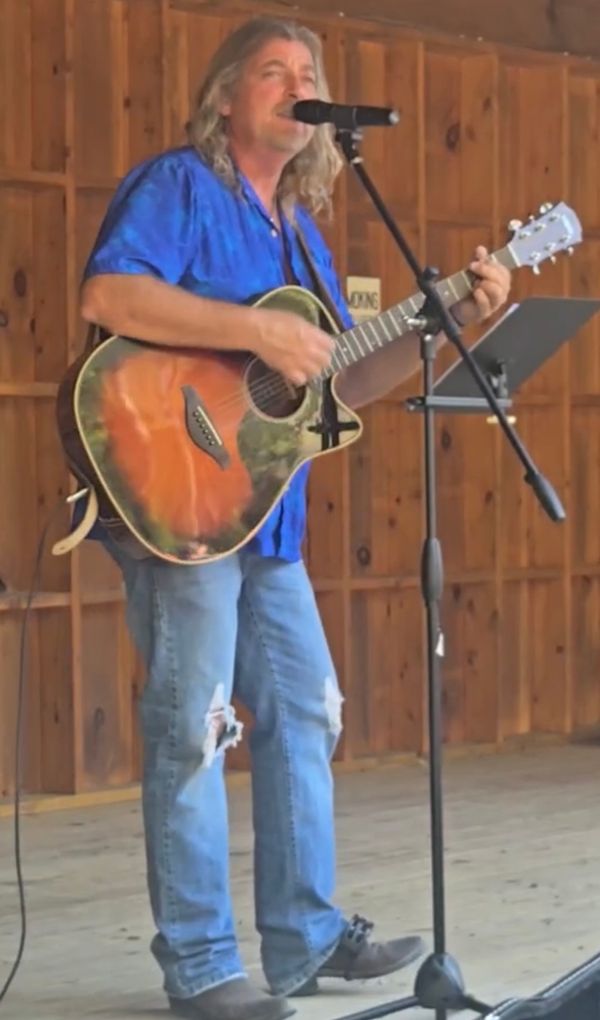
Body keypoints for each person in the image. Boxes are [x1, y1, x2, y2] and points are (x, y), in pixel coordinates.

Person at [77, 16, 511, 1020]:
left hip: (266, 516)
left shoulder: (303, 238)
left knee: (309, 709)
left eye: (308, 72)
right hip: (178, 497)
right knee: (194, 729)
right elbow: (109, 296)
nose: (297, 83)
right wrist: (254, 330)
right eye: (273, 70)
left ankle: (304, 939)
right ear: (226, 97)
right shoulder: (179, 185)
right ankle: (201, 966)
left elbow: (344, 382)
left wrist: (454, 318)